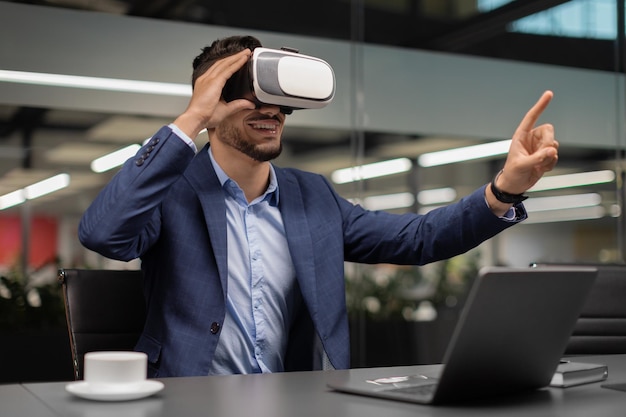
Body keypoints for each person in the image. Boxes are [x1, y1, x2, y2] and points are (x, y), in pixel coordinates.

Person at [78, 35, 559, 377]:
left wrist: (505, 188)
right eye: (253, 99)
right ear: (213, 109)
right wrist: (189, 120)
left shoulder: (313, 195)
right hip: (190, 399)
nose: (272, 112)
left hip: (297, 400)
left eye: (280, 103)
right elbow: (103, 233)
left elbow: (419, 238)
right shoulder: (172, 190)